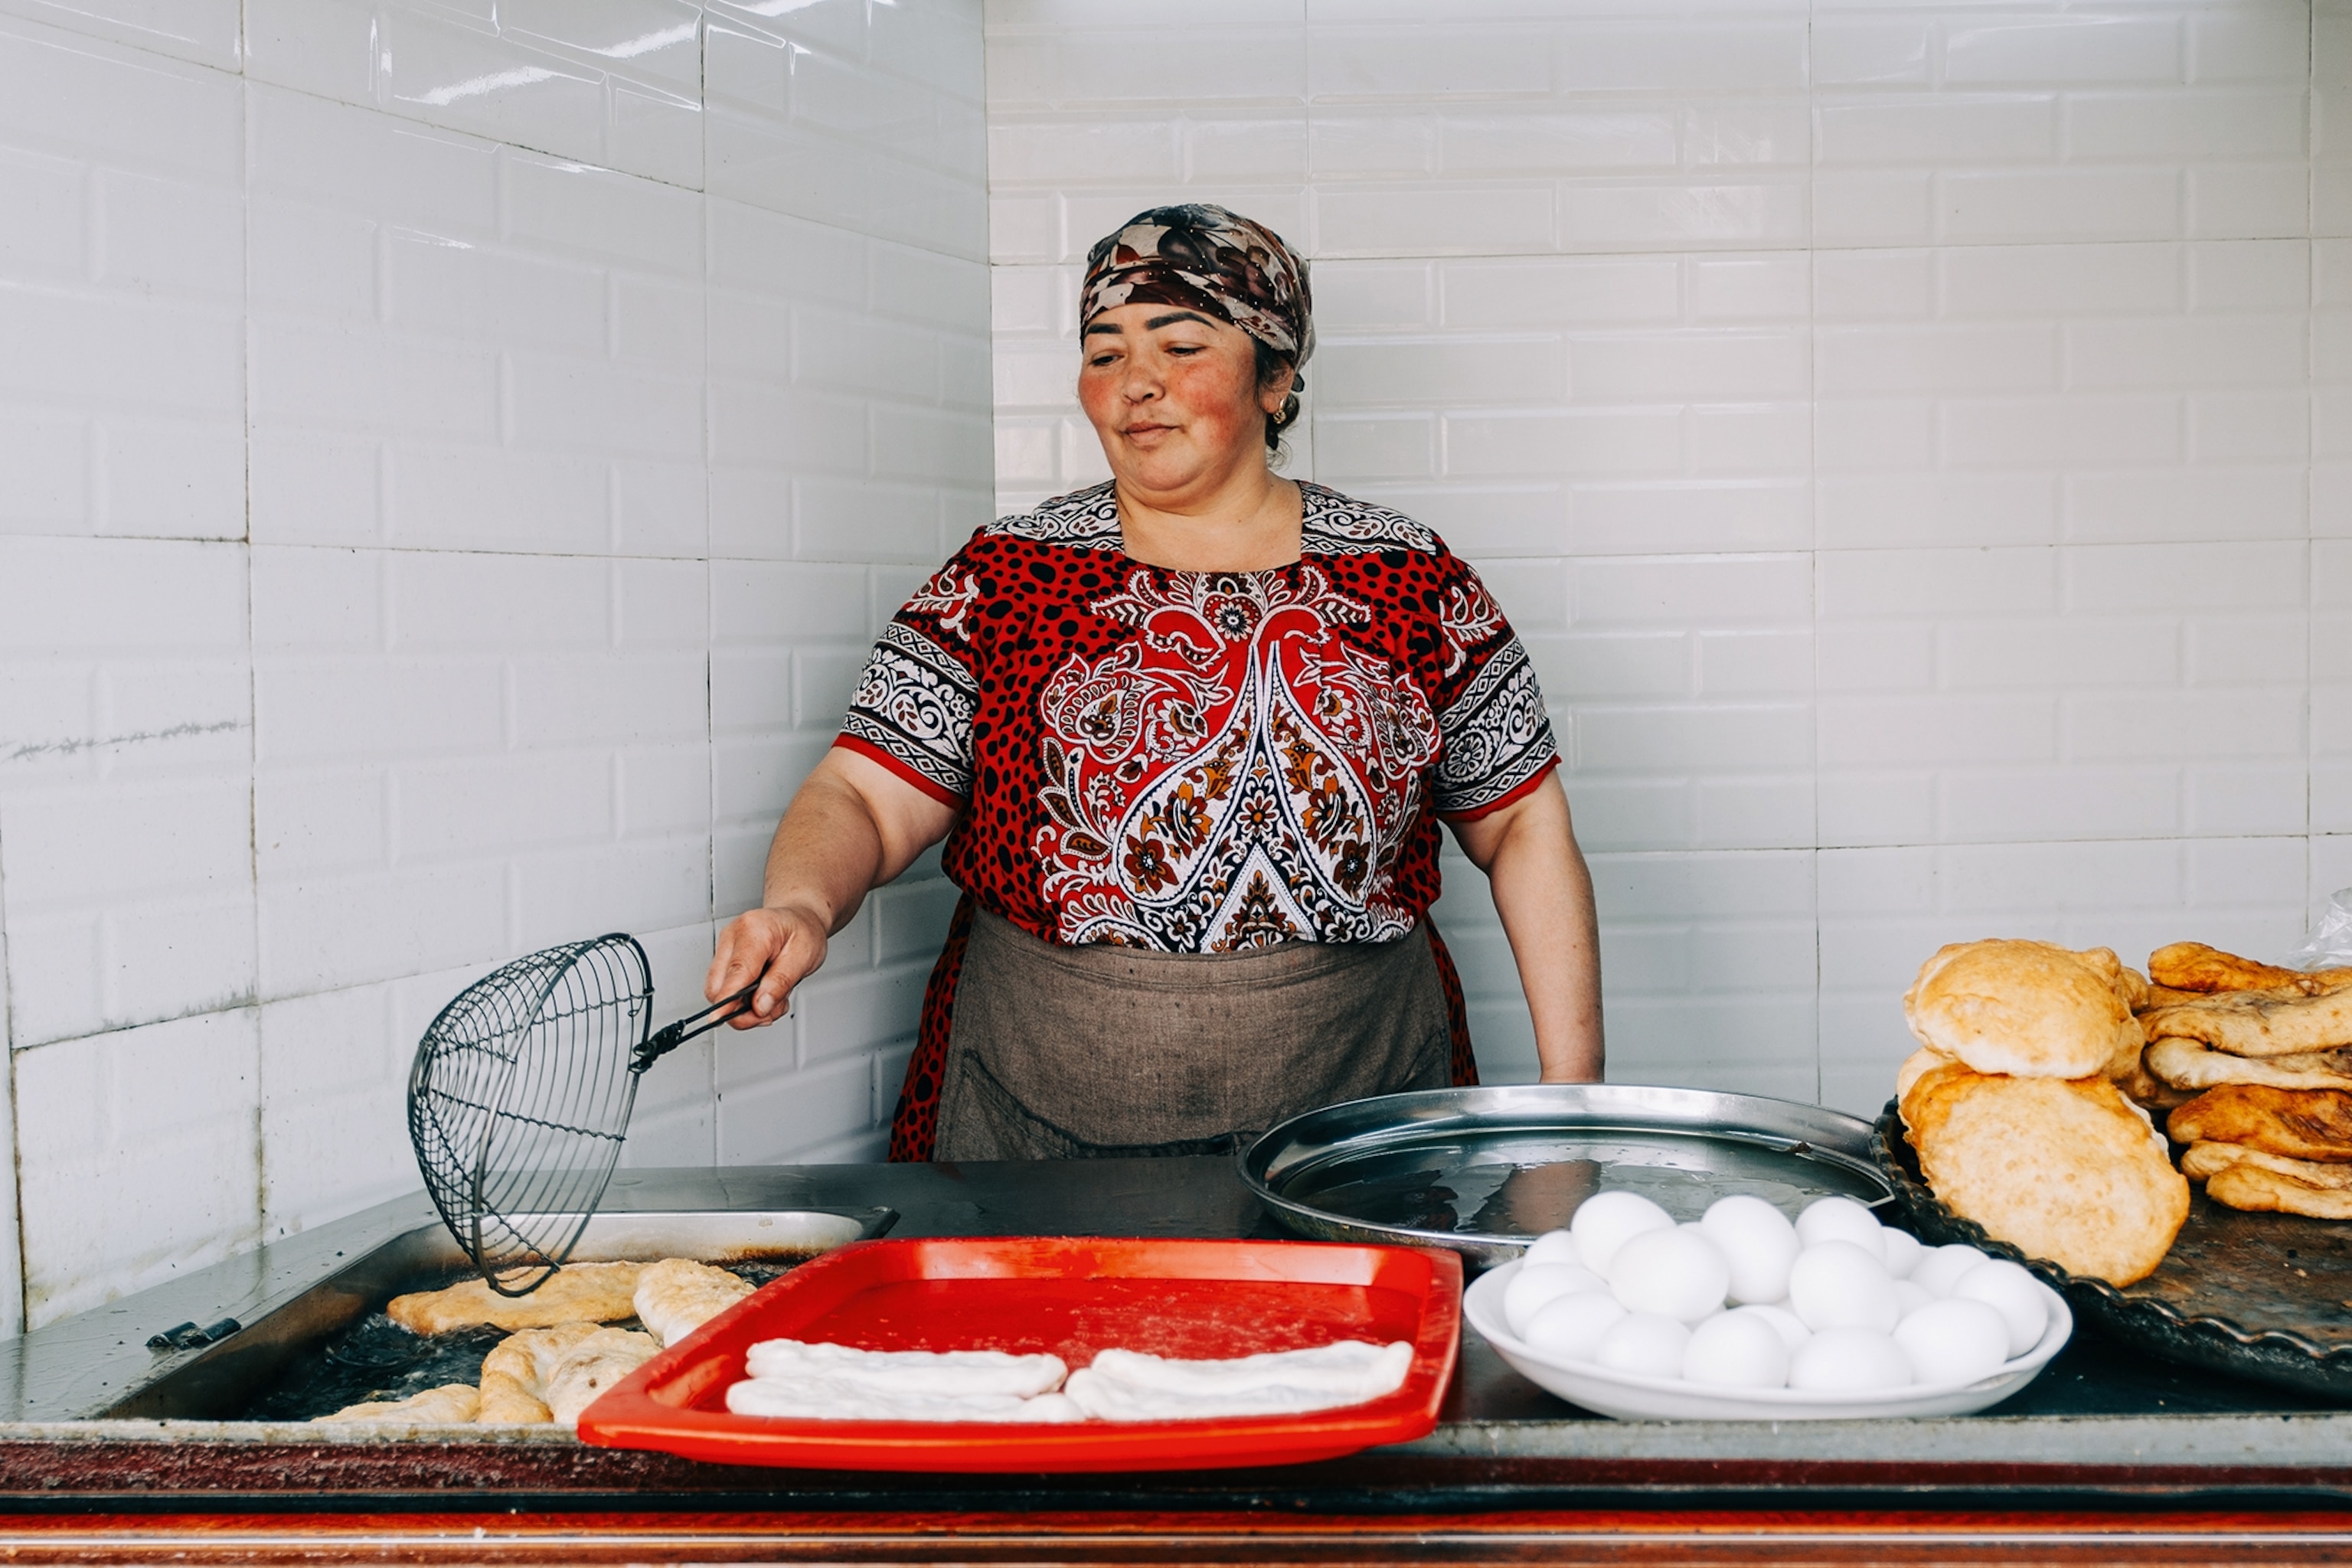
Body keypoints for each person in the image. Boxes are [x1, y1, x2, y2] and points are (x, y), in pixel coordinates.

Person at [707, 204, 1604, 1161]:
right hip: (1038, 1105)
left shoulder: (1409, 576)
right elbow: (866, 791)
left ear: (1276, 378)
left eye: (1180, 344)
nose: (1136, 383)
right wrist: (801, 901)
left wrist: (1576, 1105)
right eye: (1104, 352)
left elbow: (1521, 824)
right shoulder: (1006, 573)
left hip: (1360, 1107)